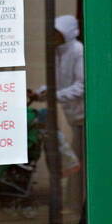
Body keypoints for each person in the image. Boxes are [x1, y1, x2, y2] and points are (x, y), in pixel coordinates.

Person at [31, 13, 83, 176]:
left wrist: (55, 96)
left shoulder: (77, 51)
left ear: (66, 33)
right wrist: (38, 94)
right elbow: (56, 83)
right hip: (73, 116)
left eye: (56, 33)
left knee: (83, 160)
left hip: (84, 115)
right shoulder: (58, 52)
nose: (52, 37)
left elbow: (81, 86)